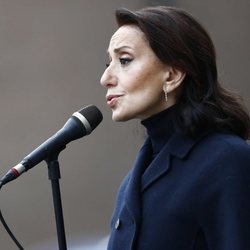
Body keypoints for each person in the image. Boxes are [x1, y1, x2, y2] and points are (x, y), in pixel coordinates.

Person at [100, 6, 250, 250]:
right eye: (108, 63)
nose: (105, 78)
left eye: (124, 60)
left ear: (172, 75)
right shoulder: (133, 182)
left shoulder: (228, 160)